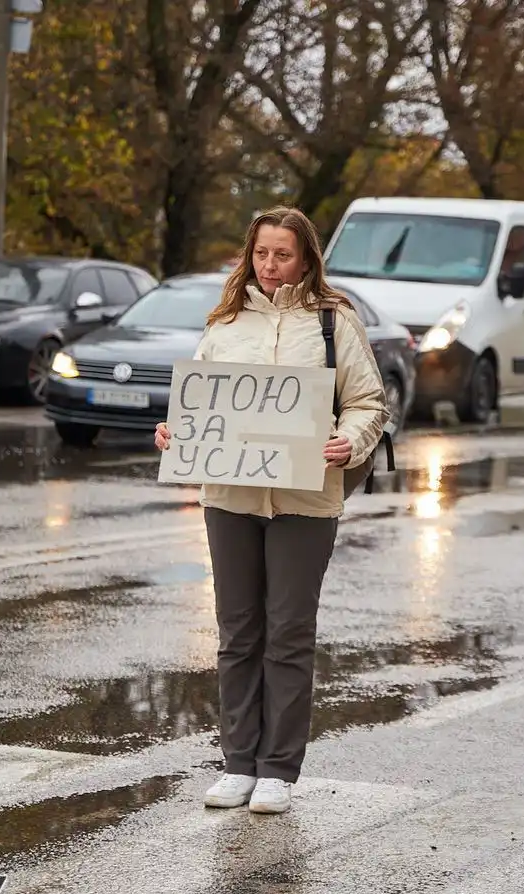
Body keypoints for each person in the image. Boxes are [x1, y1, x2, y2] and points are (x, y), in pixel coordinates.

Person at [154, 206, 387, 815]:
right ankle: (236, 764)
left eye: (283, 255)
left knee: (287, 630)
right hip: (230, 496)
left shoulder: (335, 322)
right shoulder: (226, 321)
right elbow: (197, 401)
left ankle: (278, 769)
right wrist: (174, 432)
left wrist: (350, 440)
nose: (271, 265)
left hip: (307, 499)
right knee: (236, 631)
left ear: (307, 257)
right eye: (261, 254)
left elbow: (368, 402)